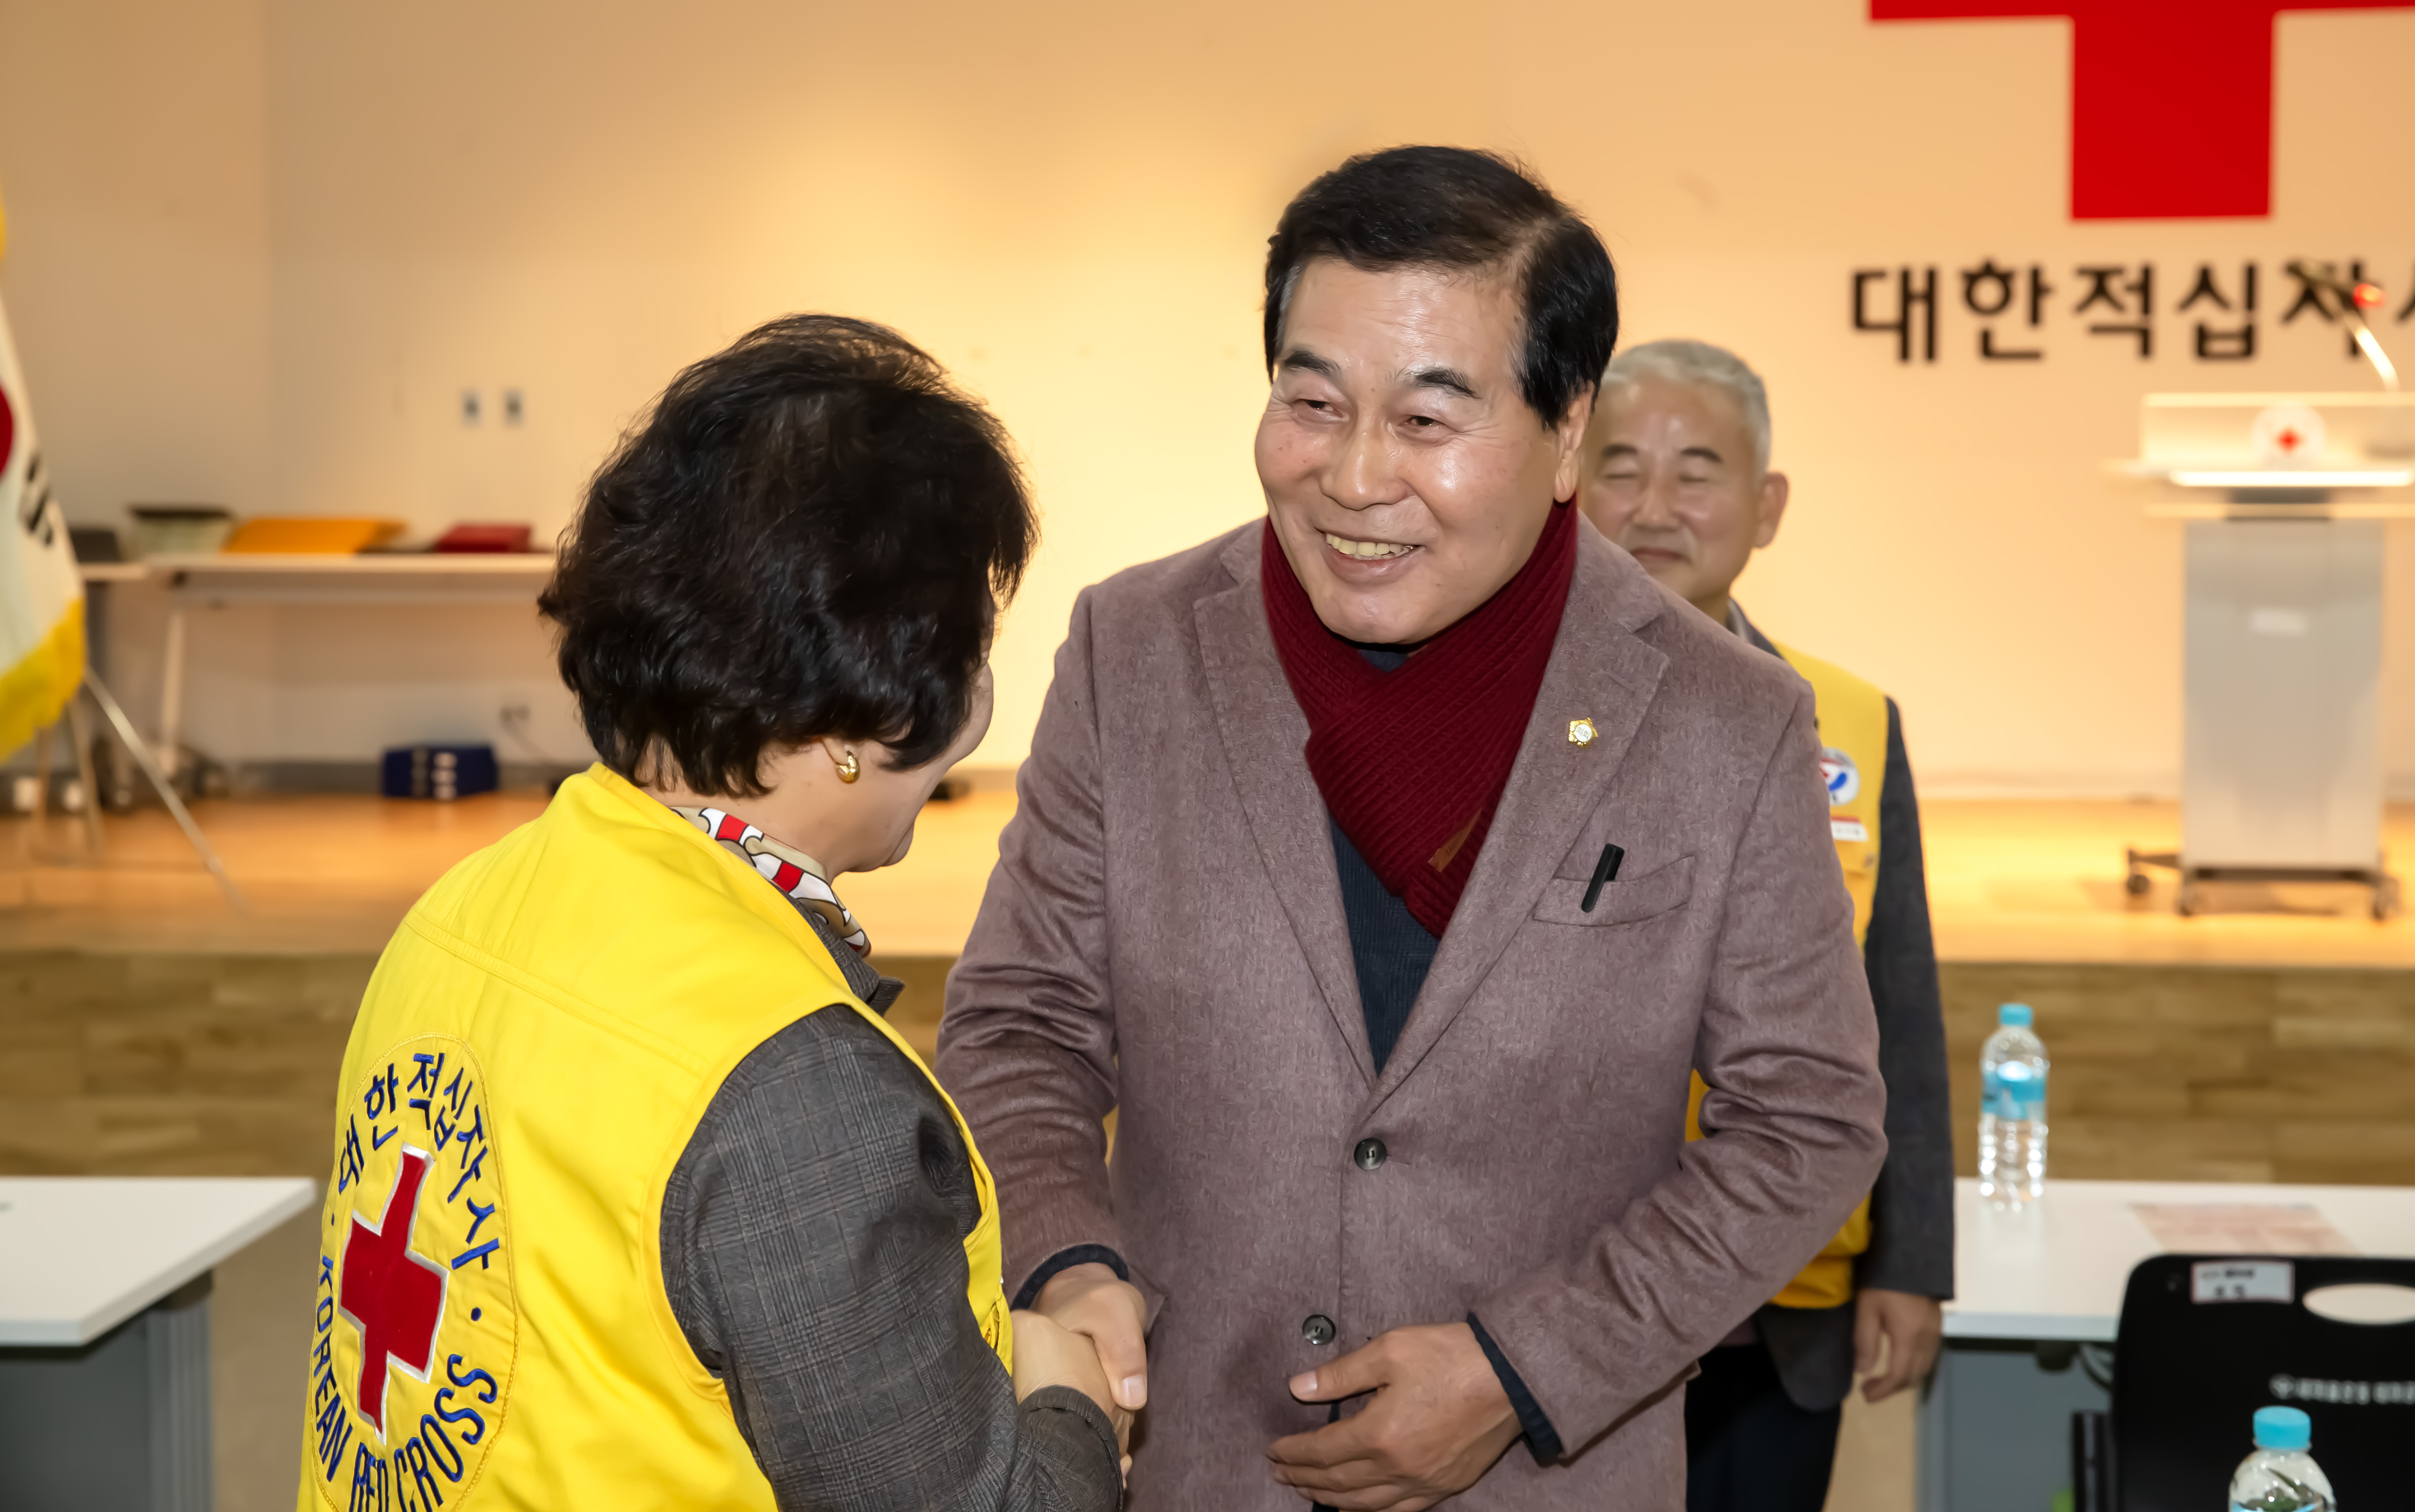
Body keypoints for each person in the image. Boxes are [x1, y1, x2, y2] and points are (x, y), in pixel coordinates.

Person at [935, 148, 1886, 1511]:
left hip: (1546, 1480)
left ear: (1568, 433)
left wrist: (1522, 1371)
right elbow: (1021, 1024)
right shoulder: (1137, 651)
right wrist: (1067, 1261)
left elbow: (1807, 1122)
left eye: (1430, 419)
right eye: (1313, 402)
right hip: (1195, 1459)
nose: (1355, 476)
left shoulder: (1721, 720)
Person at [296, 317, 1125, 1511]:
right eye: (967, 659)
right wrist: (1069, 1400)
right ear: (867, 711)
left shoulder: (459, 910)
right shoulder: (795, 1087)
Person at [1580, 338, 1953, 1512]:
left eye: (1696, 471)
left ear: (1767, 505)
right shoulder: (1500, 715)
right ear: (1563, 485)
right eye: (1619, 467)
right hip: (1563, 1300)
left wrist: (1911, 1263)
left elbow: (1898, 1010)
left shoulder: (1848, 721)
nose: (1653, 506)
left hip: (1784, 1306)